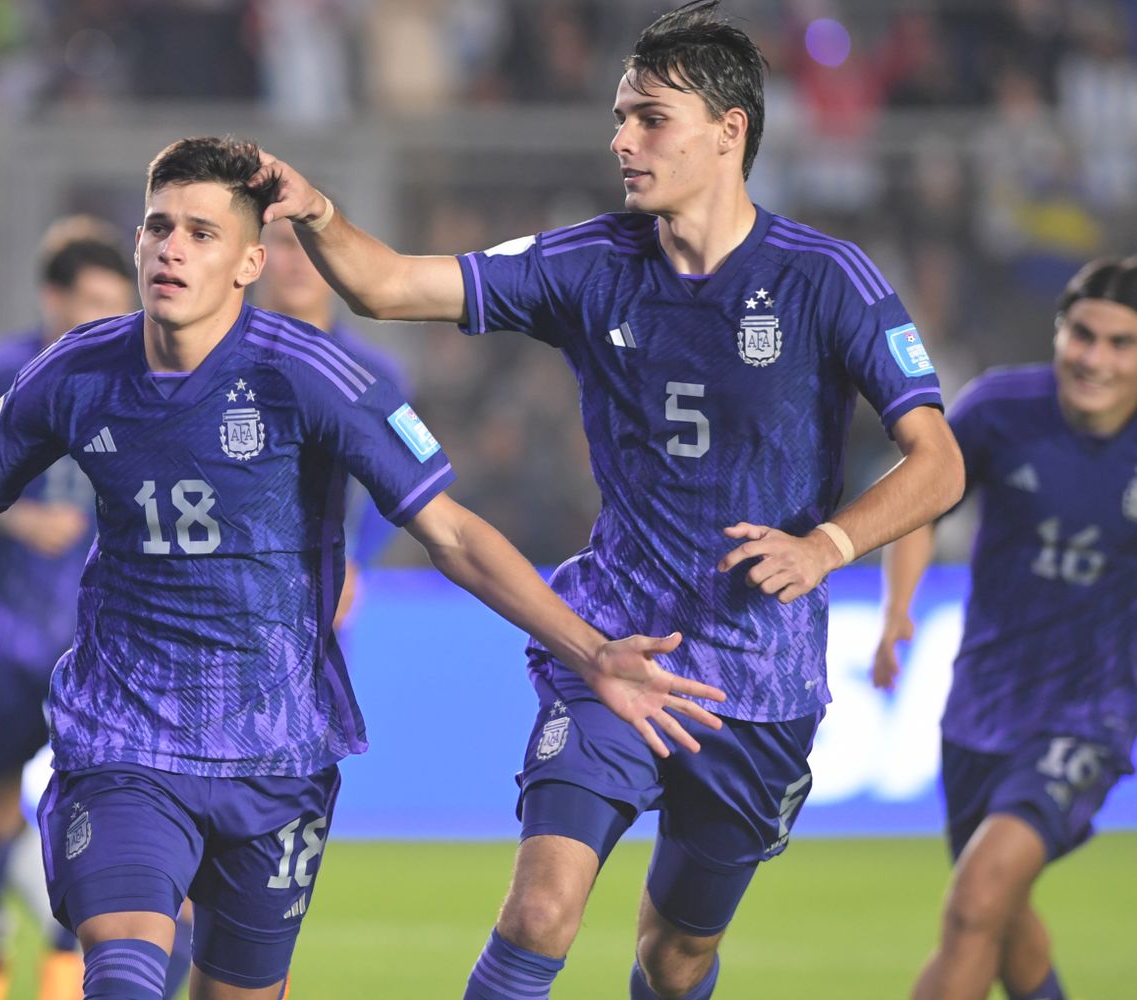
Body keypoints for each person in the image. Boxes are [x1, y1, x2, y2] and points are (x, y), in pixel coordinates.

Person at [0, 136, 727, 1000]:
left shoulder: (316, 379)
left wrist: (590, 651)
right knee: (125, 966)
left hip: (276, 756)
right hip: (122, 740)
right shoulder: (75, 372)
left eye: (202, 232)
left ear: (250, 262)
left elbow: (453, 535)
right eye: (159, 225)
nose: (172, 248)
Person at [254, 2, 965, 996]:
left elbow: (938, 462)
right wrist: (319, 212)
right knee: (540, 909)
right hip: (612, 646)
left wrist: (830, 546)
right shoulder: (587, 262)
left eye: (651, 118)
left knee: (676, 957)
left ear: (730, 131)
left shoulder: (826, 280)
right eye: (620, 116)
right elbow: (385, 285)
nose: (622, 139)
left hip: (758, 684)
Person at [874, 258, 1137, 1000]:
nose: (1095, 358)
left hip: (1091, 717)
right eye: (1082, 335)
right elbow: (920, 502)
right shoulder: (999, 410)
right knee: (1006, 923)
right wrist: (898, 609)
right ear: (1058, 332)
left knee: (977, 900)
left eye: (1122, 344)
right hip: (980, 709)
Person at [0, 218, 138, 1000]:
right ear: (51, 297)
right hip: (1, 628)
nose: (101, 317)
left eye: (114, 303)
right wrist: (24, 519)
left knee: (82, 805)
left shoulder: (133, 373)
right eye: (89, 299)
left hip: (90, 638)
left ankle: (65, 965)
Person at [251, 220, 411, 627]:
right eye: (287, 244)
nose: (300, 261)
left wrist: (353, 561)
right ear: (255, 256)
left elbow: (403, 479)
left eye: (313, 246)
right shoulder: (212, 360)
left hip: (319, 590)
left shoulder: (373, 373)